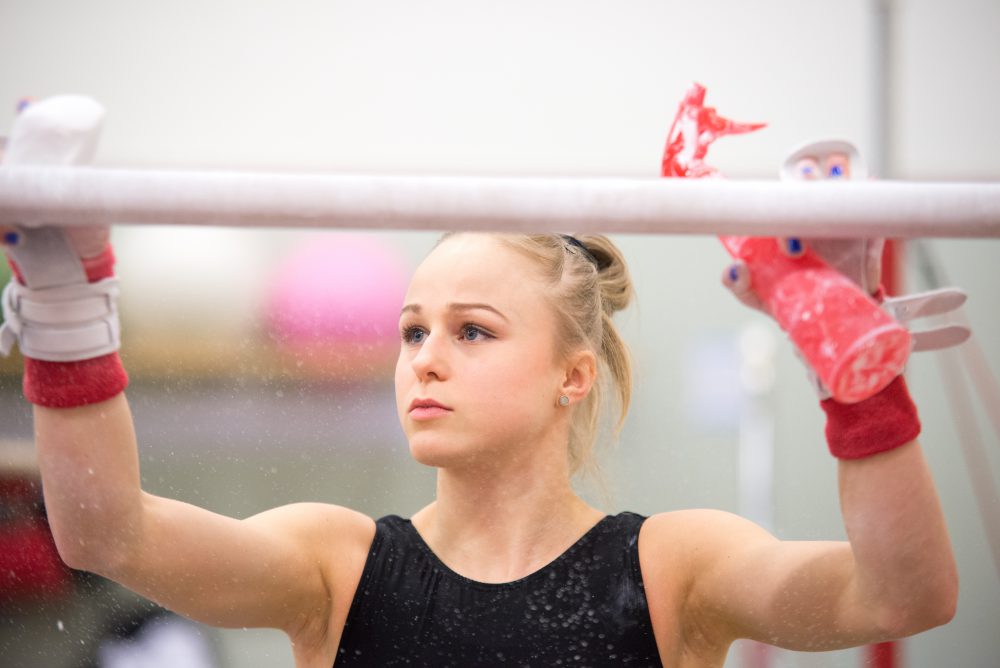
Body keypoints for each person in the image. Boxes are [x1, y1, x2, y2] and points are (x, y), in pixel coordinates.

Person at [1, 98, 957, 667]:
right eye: (413, 329)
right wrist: (63, 312)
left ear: (571, 378)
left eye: (473, 331)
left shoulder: (675, 567)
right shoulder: (333, 566)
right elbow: (103, 531)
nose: (425, 355)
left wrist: (860, 390)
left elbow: (899, 599)